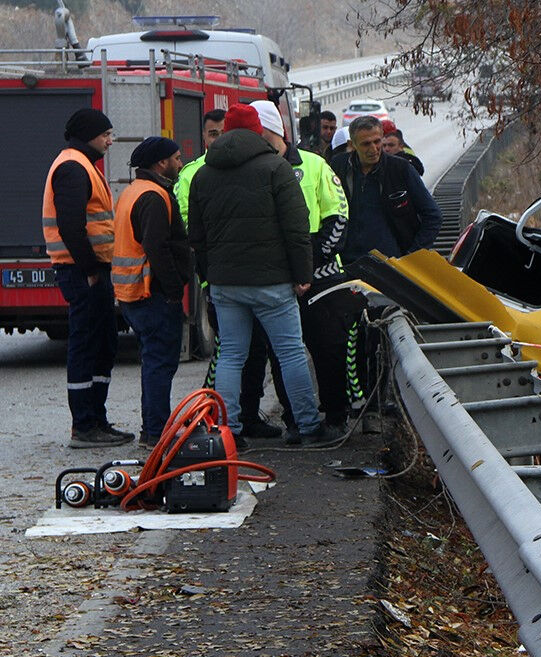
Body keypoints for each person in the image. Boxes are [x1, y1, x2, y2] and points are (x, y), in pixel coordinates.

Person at [188, 103, 337, 448]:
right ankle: (308, 426)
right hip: (272, 283)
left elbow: (196, 236)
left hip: (226, 284)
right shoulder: (276, 169)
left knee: (231, 356)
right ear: (259, 130)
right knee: (290, 353)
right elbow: (297, 228)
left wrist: (212, 276)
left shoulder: (203, 175)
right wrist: (302, 274)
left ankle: (227, 431)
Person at [246, 98, 359, 430]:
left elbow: (339, 215)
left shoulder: (314, 164)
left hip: (321, 278)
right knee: (282, 356)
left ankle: (335, 416)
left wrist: (309, 265)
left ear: (272, 130)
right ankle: (296, 420)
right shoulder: (253, 171)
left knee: (329, 350)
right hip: (277, 280)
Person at [42, 107, 130, 448]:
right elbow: (70, 226)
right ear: (89, 134)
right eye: (106, 134)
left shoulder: (82, 165)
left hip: (90, 270)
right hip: (83, 272)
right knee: (86, 345)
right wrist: (91, 270)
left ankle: (97, 418)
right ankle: (84, 425)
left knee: (102, 343)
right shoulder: (73, 167)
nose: (110, 140)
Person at [112, 137, 189, 446]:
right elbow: (157, 247)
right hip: (152, 294)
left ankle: (154, 429)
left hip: (133, 293)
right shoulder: (154, 197)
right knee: (160, 364)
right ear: (161, 163)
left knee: (153, 362)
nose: (180, 163)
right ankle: (157, 432)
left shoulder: (132, 192)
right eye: (177, 157)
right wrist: (173, 289)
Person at [331, 114, 442, 258]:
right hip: (348, 264)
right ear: (352, 145)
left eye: (377, 142)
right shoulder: (338, 166)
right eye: (366, 144)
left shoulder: (400, 169)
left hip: (391, 265)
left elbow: (433, 215)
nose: (374, 149)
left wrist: (412, 256)